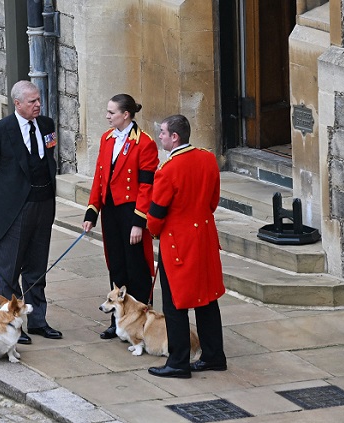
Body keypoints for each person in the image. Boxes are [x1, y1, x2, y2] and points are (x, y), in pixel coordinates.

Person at [0, 80, 62, 345]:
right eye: (32, 101)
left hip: (43, 204)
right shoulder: (1, 130)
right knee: (10, 268)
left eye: (38, 100)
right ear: (17, 104)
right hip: (14, 210)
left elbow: (49, 158)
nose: (37, 105)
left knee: (36, 267)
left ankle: (37, 320)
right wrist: (3, 196)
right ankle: (13, 324)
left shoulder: (47, 125)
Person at [146, 114, 227, 378]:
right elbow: (213, 201)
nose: (160, 136)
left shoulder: (168, 170)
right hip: (204, 239)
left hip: (178, 245)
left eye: (163, 132)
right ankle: (214, 355)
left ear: (175, 137)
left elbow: (155, 217)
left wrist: (155, 231)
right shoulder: (207, 158)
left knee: (175, 305)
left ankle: (178, 362)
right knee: (207, 300)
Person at [82, 94, 159, 339]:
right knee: (116, 265)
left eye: (111, 112)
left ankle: (143, 320)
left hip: (131, 211)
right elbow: (100, 177)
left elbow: (147, 186)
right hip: (111, 212)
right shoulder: (107, 139)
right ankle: (119, 320)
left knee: (135, 267)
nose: (107, 116)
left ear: (125, 114)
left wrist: (139, 223)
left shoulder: (144, 142)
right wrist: (92, 210)